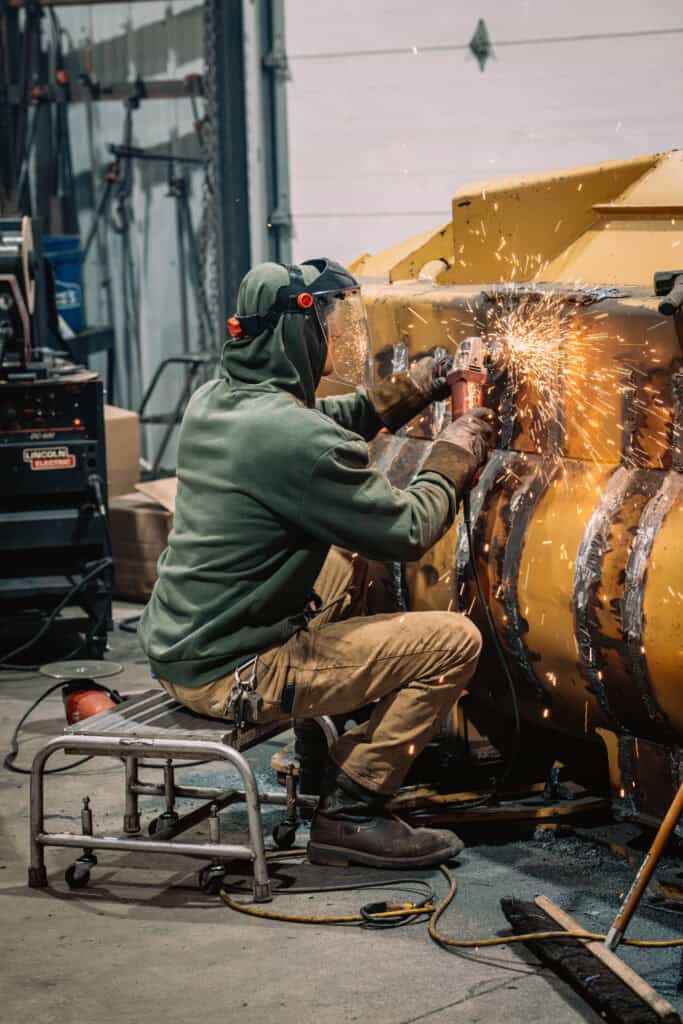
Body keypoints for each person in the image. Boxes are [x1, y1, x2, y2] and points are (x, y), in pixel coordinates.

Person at [138, 258, 495, 869]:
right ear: (295, 334)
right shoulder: (290, 438)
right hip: (233, 674)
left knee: (343, 559)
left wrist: (428, 379)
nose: (332, 335)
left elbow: (331, 420)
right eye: (325, 322)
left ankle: (316, 759)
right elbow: (407, 528)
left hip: (182, 647)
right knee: (454, 642)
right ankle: (353, 809)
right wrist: (457, 449)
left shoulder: (217, 401)